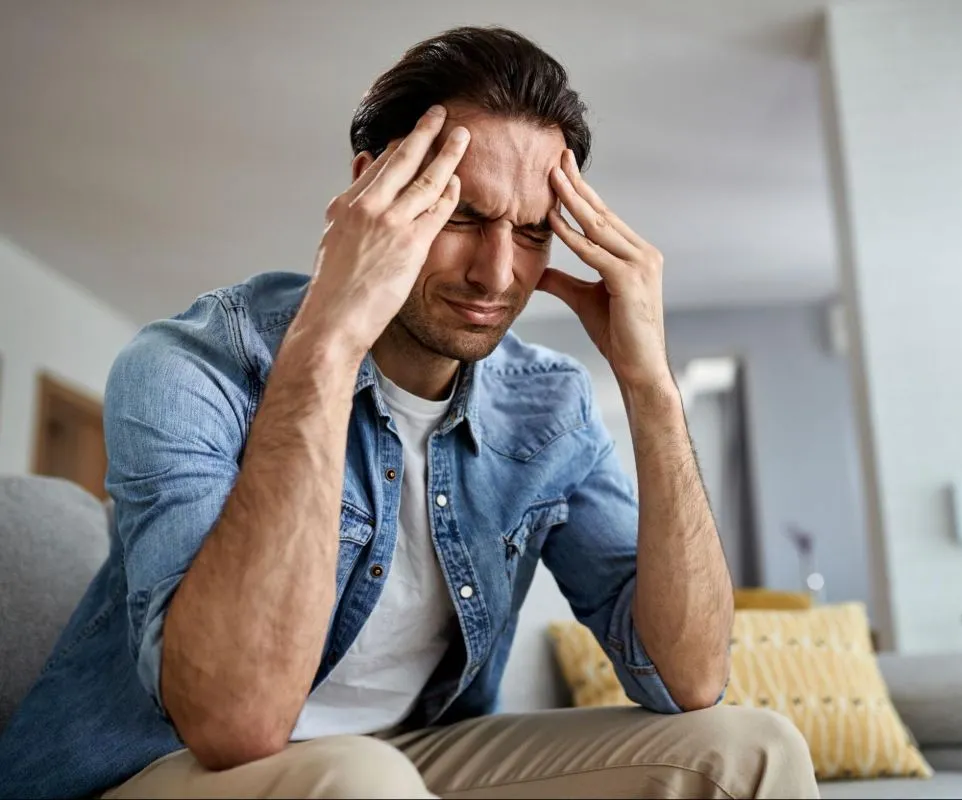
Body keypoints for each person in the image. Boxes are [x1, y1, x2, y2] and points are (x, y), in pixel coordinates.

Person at [0, 26, 818, 800]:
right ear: (370, 190)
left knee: (751, 749)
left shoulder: (549, 406)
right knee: (361, 780)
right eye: (462, 216)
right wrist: (326, 344)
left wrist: (651, 388)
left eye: (533, 232)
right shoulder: (190, 365)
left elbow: (686, 679)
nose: (498, 275)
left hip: (408, 758)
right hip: (163, 767)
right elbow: (233, 723)